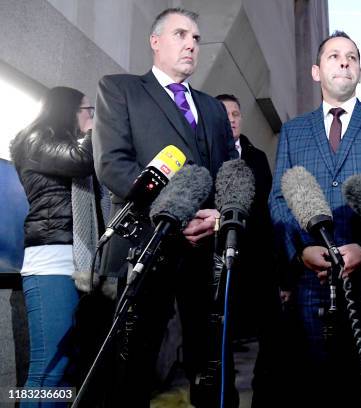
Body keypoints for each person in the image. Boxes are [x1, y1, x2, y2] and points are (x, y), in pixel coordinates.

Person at [92, 8, 237, 407]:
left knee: (209, 362)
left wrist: (220, 214)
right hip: (145, 247)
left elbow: (228, 170)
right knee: (133, 363)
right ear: (155, 41)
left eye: (196, 37)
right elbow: (114, 164)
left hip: (203, 250)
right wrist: (178, 210)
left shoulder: (211, 108)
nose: (192, 43)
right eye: (180, 34)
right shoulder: (120, 89)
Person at [268, 31, 361, 407]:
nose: (345, 61)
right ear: (317, 72)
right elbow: (280, 197)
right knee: (321, 387)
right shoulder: (293, 131)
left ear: (360, 71)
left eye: (352, 56)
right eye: (334, 56)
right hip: (312, 282)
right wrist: (301, 250)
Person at [10, 86, 105, 407]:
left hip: (73, 259)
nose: (91, 117)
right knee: (48, 371)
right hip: (51, 260)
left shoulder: (59, 143)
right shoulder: (35, 139)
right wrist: (95, 131)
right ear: (67, 109)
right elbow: (81, 160)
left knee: (65, 372)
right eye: (87, 110)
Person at [215, 93, 284, 407]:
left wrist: (279, 269)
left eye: (236, 113)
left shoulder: (257, 157)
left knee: (272, 338)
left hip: (257, 262)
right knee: (219, 343)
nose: (232, 118)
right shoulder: (204, 152)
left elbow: (270, 211)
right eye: (225, 113)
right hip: (217, 264)